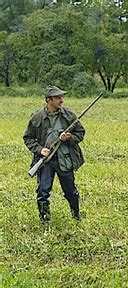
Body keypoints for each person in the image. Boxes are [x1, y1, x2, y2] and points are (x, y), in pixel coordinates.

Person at [23, 85, 85, 223]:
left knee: (71, 192)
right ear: (49, 100)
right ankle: (45, 221)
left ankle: (76, 217)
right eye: (58, 98)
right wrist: (40, 150)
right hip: (46, 161)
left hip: (65, 159)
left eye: (62, 97)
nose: (62, 100)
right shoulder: (37, 117)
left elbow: (80, 133)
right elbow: (28, 138)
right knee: (42, 192)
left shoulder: (69, 115)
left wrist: (69, 138)